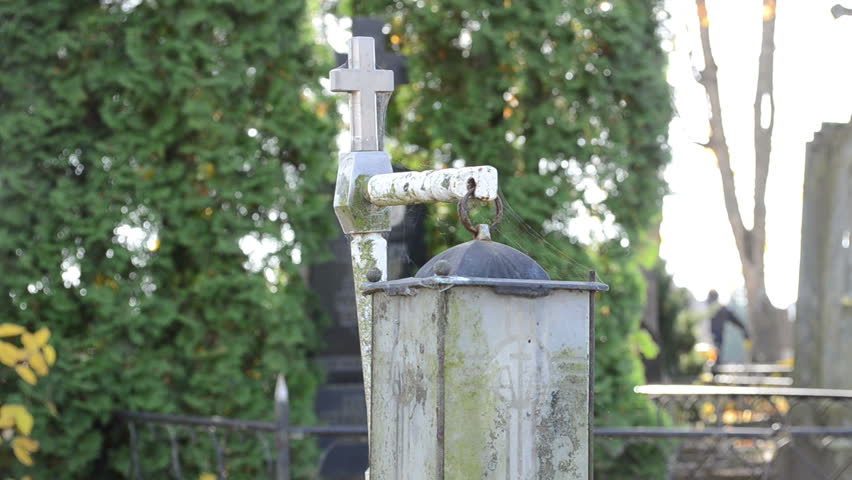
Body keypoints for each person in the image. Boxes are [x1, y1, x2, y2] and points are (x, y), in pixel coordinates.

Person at [706, 289, 750, 363]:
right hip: (711, 339)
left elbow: (734, 319)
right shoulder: (719, 309)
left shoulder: (721, 310)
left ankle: (715, 368)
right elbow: (735, 319)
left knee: (716, 354)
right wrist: (744, 330)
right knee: (715, 354)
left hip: (716, 338)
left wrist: (744, 330)